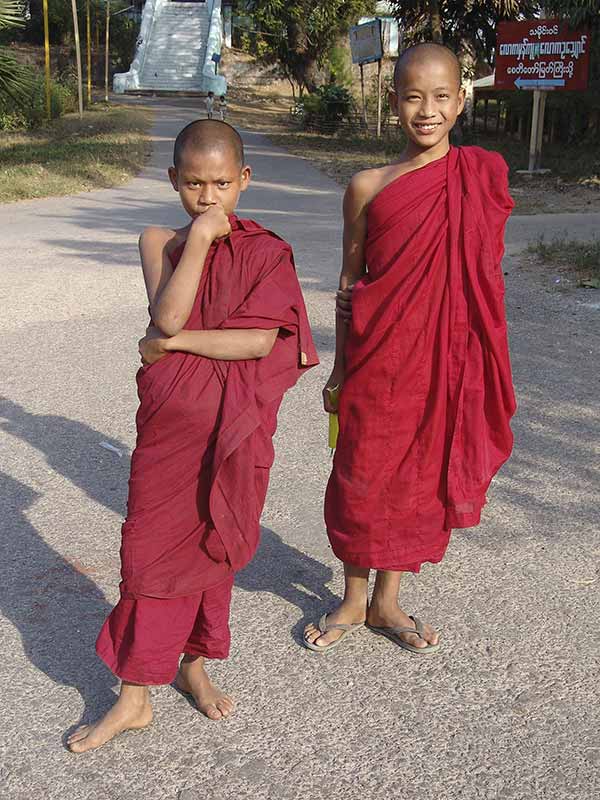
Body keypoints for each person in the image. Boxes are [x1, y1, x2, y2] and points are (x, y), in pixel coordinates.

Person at [67, 119, 318, 752]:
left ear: (245, 180)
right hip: (172, 429)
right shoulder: (159, 240)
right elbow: (169, 311)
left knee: (213, 540)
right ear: (173, 180)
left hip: (231, 431)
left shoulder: (268, 251)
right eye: (196, 185)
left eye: (222, 185)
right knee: (147, 553)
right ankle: (134, 696)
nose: (209, 198)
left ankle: (193, 665)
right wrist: (203, 239)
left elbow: (258, 341)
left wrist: (173, 346)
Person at [304, 43, 515, 654]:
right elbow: (349, 286)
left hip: (440, 361)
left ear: (461, 101)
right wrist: (340, 367)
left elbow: (481, 275)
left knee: (418, 474)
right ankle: (351, 595)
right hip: (377, 357)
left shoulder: (478, 177)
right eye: (413, 96)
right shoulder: (368, 186)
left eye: (441, 97)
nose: (427, 110)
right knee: (360, 470)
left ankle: (387, 599)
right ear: (393, 99)